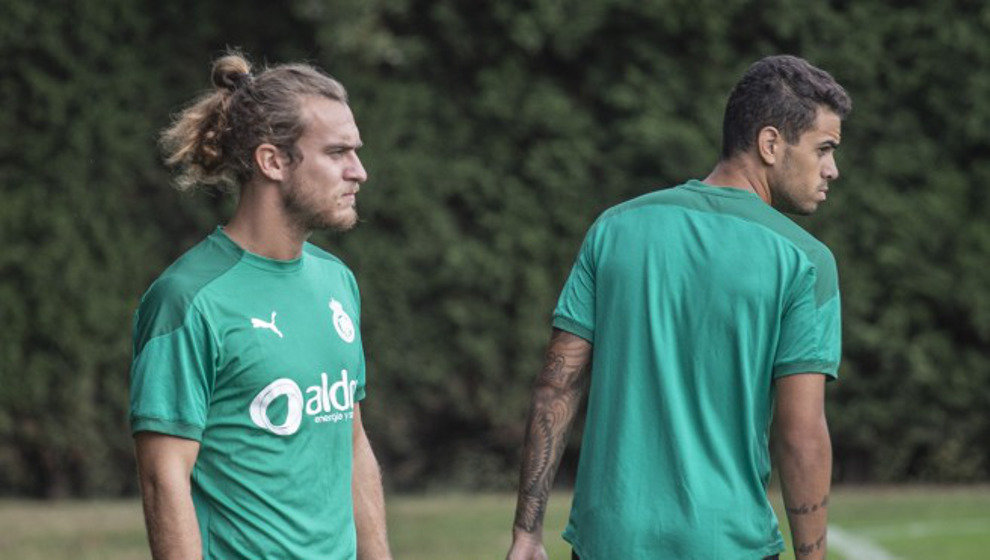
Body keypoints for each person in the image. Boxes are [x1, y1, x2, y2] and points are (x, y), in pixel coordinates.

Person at [506, 54, 851, 560]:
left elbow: (555, 384)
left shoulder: (614, 228)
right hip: (727, 544)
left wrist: (526, 533)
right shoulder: (804, 261)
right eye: (824, 149)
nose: (832, 170)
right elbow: (801, 435)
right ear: (771, 143)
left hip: (608, 543)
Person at [130, 51, 392, 559]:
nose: (358, 171)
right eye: (337, 152)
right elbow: (164, 481)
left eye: (355, 151)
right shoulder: (186, 299)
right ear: (272, 161)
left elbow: (353, 443)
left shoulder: (337, 281)